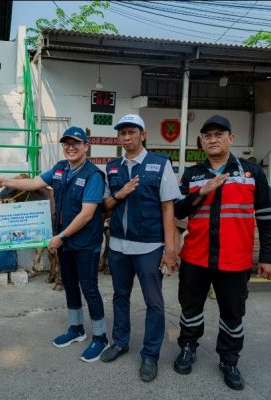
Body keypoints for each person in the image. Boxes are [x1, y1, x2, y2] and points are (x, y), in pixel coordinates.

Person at [173, 115, 271, 390]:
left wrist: (267, 256)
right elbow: (178, 210)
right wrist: (201, 192)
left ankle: (229, 359)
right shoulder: (192, 175)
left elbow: (266, 217)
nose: (213, 139)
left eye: (219, 134)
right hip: (195, 257)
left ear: (231, 138)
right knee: (190, 308)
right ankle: (188, 346)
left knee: (232, 313)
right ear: (202, 142)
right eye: (207, 136)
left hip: (235, 260)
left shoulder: (252, 173)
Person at [0, 126, 109, 362]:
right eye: (66, 143)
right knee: (70, 285)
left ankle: (100, 337)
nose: (70, 147)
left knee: (89, 288)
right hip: (65, 242)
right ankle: (76, 329)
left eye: (76, 143)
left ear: (86, 146)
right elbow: (34, 183)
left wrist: (60, 237)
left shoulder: (93, 175)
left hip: (85, 243)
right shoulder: (60, 169)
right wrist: (3, 180)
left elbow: (87, 214)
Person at [101, 114, 180, 382]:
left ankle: (150, 355)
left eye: (131, 132)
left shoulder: (160, 164)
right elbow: (105, 206)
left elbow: (168, 208)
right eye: (122, 133)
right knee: (120, 296)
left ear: (143, 135)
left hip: (149, 247)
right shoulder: (113, 167)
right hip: (118, 247)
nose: (126, 137)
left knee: (154, 302)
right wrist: (119, 194)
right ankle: (120, 342)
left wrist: (170, 250)